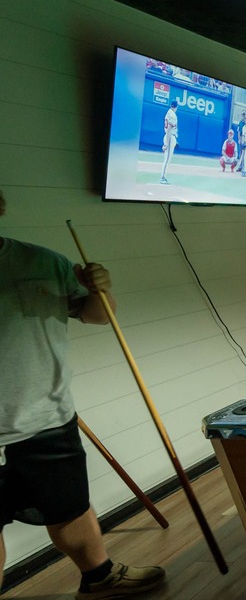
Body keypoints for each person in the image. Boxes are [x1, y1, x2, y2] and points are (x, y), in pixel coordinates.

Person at [0, 189, 167, 598]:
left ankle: (100, 578)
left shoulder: (43, 261)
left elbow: (97, 316)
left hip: (47, 418)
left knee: (70, 508)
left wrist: (101, 290)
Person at [159, 100, 178, 185]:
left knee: (167, 159)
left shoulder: (168, 112)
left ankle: (163, 177)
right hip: (169, 137)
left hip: (169, 137)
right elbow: (169, 129)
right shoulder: (173, 115)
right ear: (176, 107)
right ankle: (163, 178)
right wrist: (166, 144)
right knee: (167, 159)